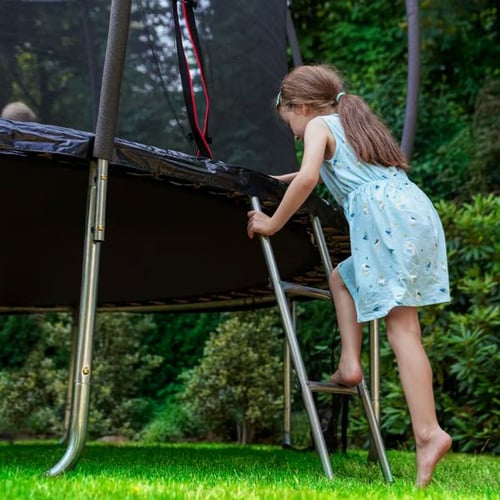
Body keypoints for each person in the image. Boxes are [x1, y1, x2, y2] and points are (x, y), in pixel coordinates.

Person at [247, 64, 452, 487]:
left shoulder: (320, 124)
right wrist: (269, 179)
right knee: (343, 278)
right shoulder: (352, 123)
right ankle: (350, 364)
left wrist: (271, 222)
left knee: (402, 330)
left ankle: (428, 433)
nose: (297, 135)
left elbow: (306, 180)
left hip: (387, 219)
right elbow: (312, 170)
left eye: (292, 126)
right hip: (415, 213)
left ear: (300, 107)